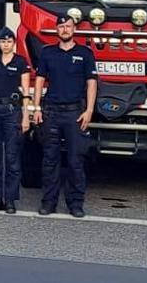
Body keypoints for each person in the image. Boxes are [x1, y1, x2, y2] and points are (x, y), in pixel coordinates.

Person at [35, 16, 96, 217]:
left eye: (68, 26)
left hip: (75, 114)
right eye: (61, 26)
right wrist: (36, 108)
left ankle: (75, 204)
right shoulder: (47, 53)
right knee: (49, 161)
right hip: (51, 112)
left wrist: (89, 111)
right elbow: (39, 80)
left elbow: (91, 83)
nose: (65, 29)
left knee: (75, 161)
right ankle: (48, 203)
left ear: (74, 28)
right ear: (57, 30)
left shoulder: (85, 54)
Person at [0, 27, 33, 214]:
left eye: (9, 41)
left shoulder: (21, 63)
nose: (6, 45)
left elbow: (26, 92)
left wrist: (26, 116)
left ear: (13, 43)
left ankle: (9, 199)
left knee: (12, 158)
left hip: (12, 112)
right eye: (3, 42)